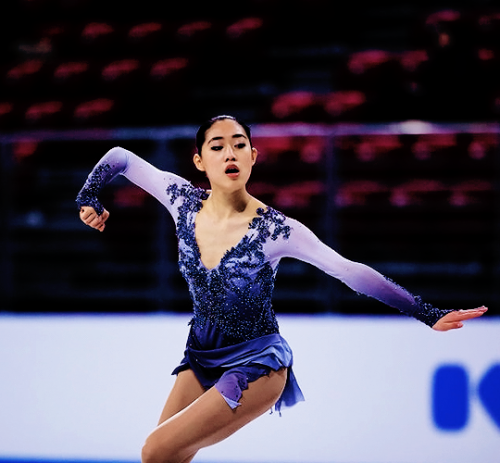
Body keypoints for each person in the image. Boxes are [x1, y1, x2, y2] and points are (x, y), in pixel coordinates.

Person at [77, 115, 487, 463]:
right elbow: (120, 158)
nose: (230, 154)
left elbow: (349, 271)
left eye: (240, 145)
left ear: (254, 157)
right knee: (168, 458)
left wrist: (426, 312)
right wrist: (88, 197)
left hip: (257, 365)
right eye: (217, 147)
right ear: (199, 161)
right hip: (201, 355)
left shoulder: (277, 229)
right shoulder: (180, 198)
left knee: (153, 450)